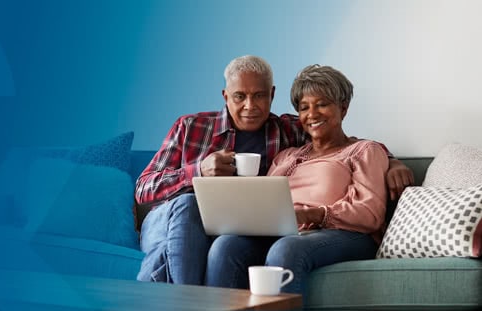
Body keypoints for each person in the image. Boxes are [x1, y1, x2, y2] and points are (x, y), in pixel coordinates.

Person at [135, 55, 414, 285]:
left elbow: (356, 153)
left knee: (248, 245)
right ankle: (189, 302)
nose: (250, 106)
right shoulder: (193, 127)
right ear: (225, 96)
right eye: (240, 96)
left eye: (259, 96)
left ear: (272, 95)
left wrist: (394, 162)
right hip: (171, 218)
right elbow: (143, 188)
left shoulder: (290, 132)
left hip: (326, 232)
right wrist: (196, 171)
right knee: (199, 215)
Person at [205, 64, 389, 296]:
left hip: (346, 235)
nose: (312, 114)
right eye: (304, 108)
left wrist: (312, 214)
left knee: (286, 249)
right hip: (287, 232)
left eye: (322, 104)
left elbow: (370, 214)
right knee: (226, 245)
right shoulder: (286, 156)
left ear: (343, 108)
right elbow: (265, 202)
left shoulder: (363, 151)